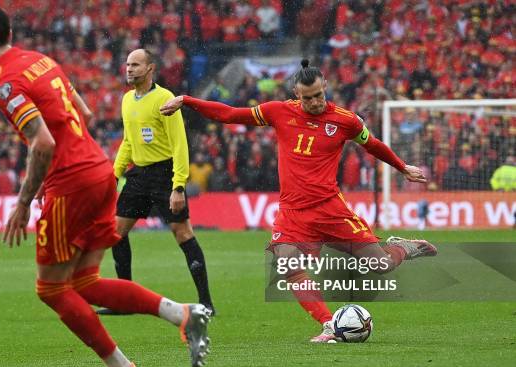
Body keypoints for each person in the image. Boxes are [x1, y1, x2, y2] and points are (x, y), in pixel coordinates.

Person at [0, 5, 210, 367]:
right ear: (9, 30)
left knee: (51, 288)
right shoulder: (41, 61)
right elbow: (84, 110)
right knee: (84, 282)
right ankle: (183, 313)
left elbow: (42, 142)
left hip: (72, 183)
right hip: (97, 169)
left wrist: (25, 200)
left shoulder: (6, 83)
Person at [161, 60, 437, 343]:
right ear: (296, 94)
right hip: (293, 213)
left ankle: (403, 247)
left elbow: (373, 144)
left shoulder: (346, 120)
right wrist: (186, 100)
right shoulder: (278, 111)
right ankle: (329, 324)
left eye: (319, 95)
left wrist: (402, 167)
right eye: (307, 98)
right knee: (288, 264)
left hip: (330, 209)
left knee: (380, 265)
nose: (315, 102)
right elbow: (230, 114)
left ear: (325, 87)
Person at [102, 48, 215, 315]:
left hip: (165, 175)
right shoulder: (127, 99)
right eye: (127, 64)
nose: (129, 69)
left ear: (150, 68)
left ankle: (206, 303)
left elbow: (179, 145)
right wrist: (114, 174)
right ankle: (125, 300)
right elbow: (128, 142)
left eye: (136, 65)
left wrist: (178, 186)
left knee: (183, 233)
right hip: (139, 174)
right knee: (116, 232)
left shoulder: (165, 99)